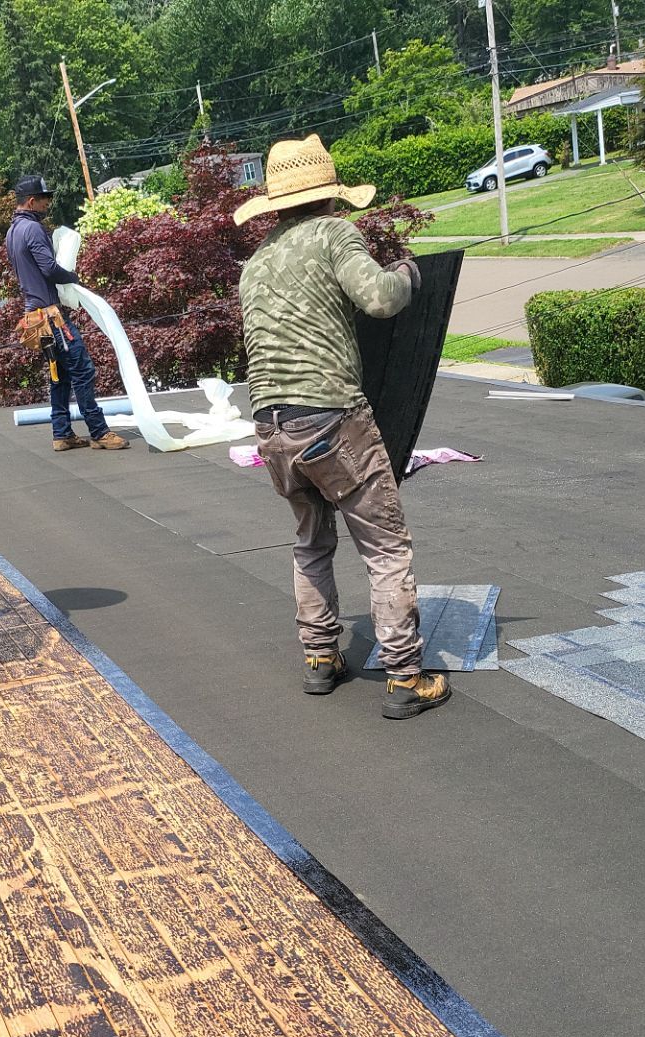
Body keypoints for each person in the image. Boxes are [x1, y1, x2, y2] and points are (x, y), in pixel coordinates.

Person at [234, 135, 450, 721]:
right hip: (331, 419)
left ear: (276, 204)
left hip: (271, 428)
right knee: (385, 548)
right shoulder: (334, 235)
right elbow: (379, 299)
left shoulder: (256, 263)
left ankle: (321, 659)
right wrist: (406, 271)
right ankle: (406, 676)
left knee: (311, 543)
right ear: (330, 196)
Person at [4, 176, 128, 454]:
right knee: (83, 370)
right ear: (32, 201)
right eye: (44, 198)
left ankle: (62, 434)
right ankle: (99, 432)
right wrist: (72, 277)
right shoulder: (33, 229)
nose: (48, 202)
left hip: (34, 315)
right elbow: (49, 268)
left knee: (59, 374)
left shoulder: (12, 232)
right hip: (52, 317)